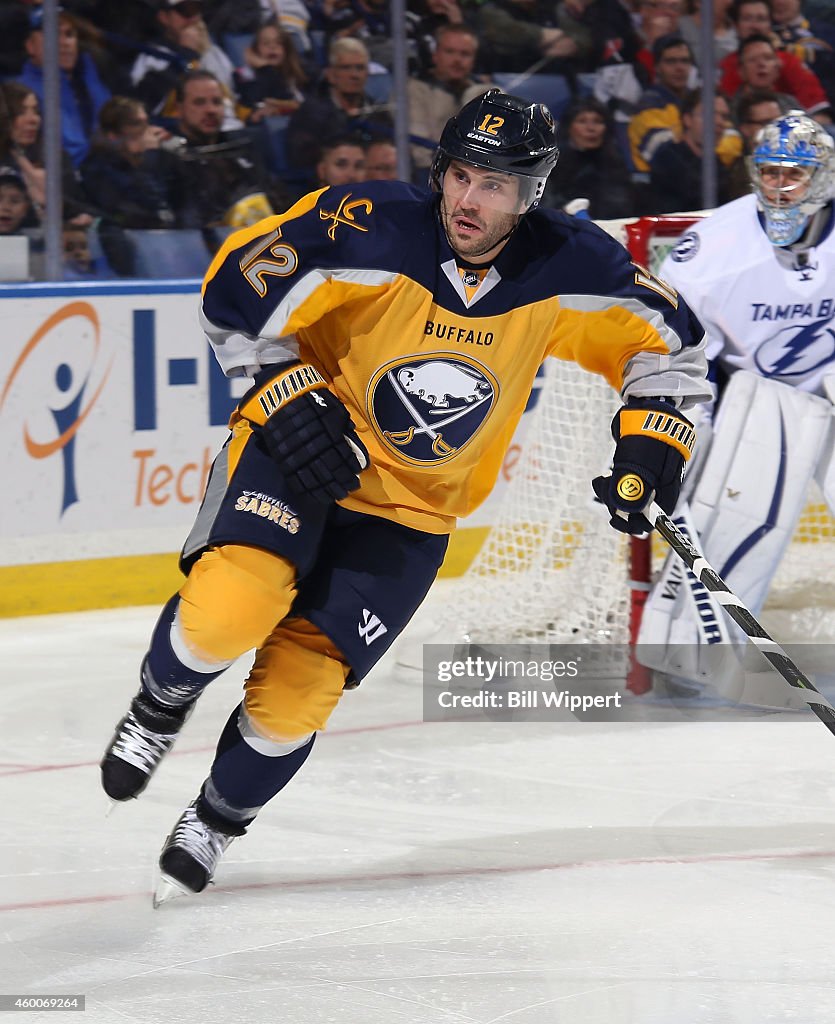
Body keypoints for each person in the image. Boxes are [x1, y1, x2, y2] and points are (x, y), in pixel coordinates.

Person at [99, 88, 710, 905]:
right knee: (228, 612)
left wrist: (651, 442)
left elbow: (671, 348)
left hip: (416, 508)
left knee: (295, 699)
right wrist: (281, 390)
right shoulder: (366, 223)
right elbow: (234, 290)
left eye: (494, 184)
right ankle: (161, 700)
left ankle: (214, 818)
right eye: (460, 175)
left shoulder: (571, 264)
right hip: (304, 454)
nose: (469, 199)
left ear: (530, 193)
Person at [638, 110, 835, 695]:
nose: (778, 186)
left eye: (793, 175)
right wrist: (673, 431)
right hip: (755, 401)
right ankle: (691, 662)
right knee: (736, 517)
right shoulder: (715, 246)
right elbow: (674, 352)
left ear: (822, 179)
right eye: (769, 172)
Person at [540, 95, 634, 217]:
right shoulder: (550, 163)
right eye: (582, 121)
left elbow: (621, 205)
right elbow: (547, 206)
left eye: (598, 121)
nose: (591, 128)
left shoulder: (615, 161)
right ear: (569, 127)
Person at [648, 90, 735, 211]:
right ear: (688, 119)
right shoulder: (667, 159)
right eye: (710, 115)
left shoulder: (718, 165)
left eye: (724, 117)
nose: (720, 122)